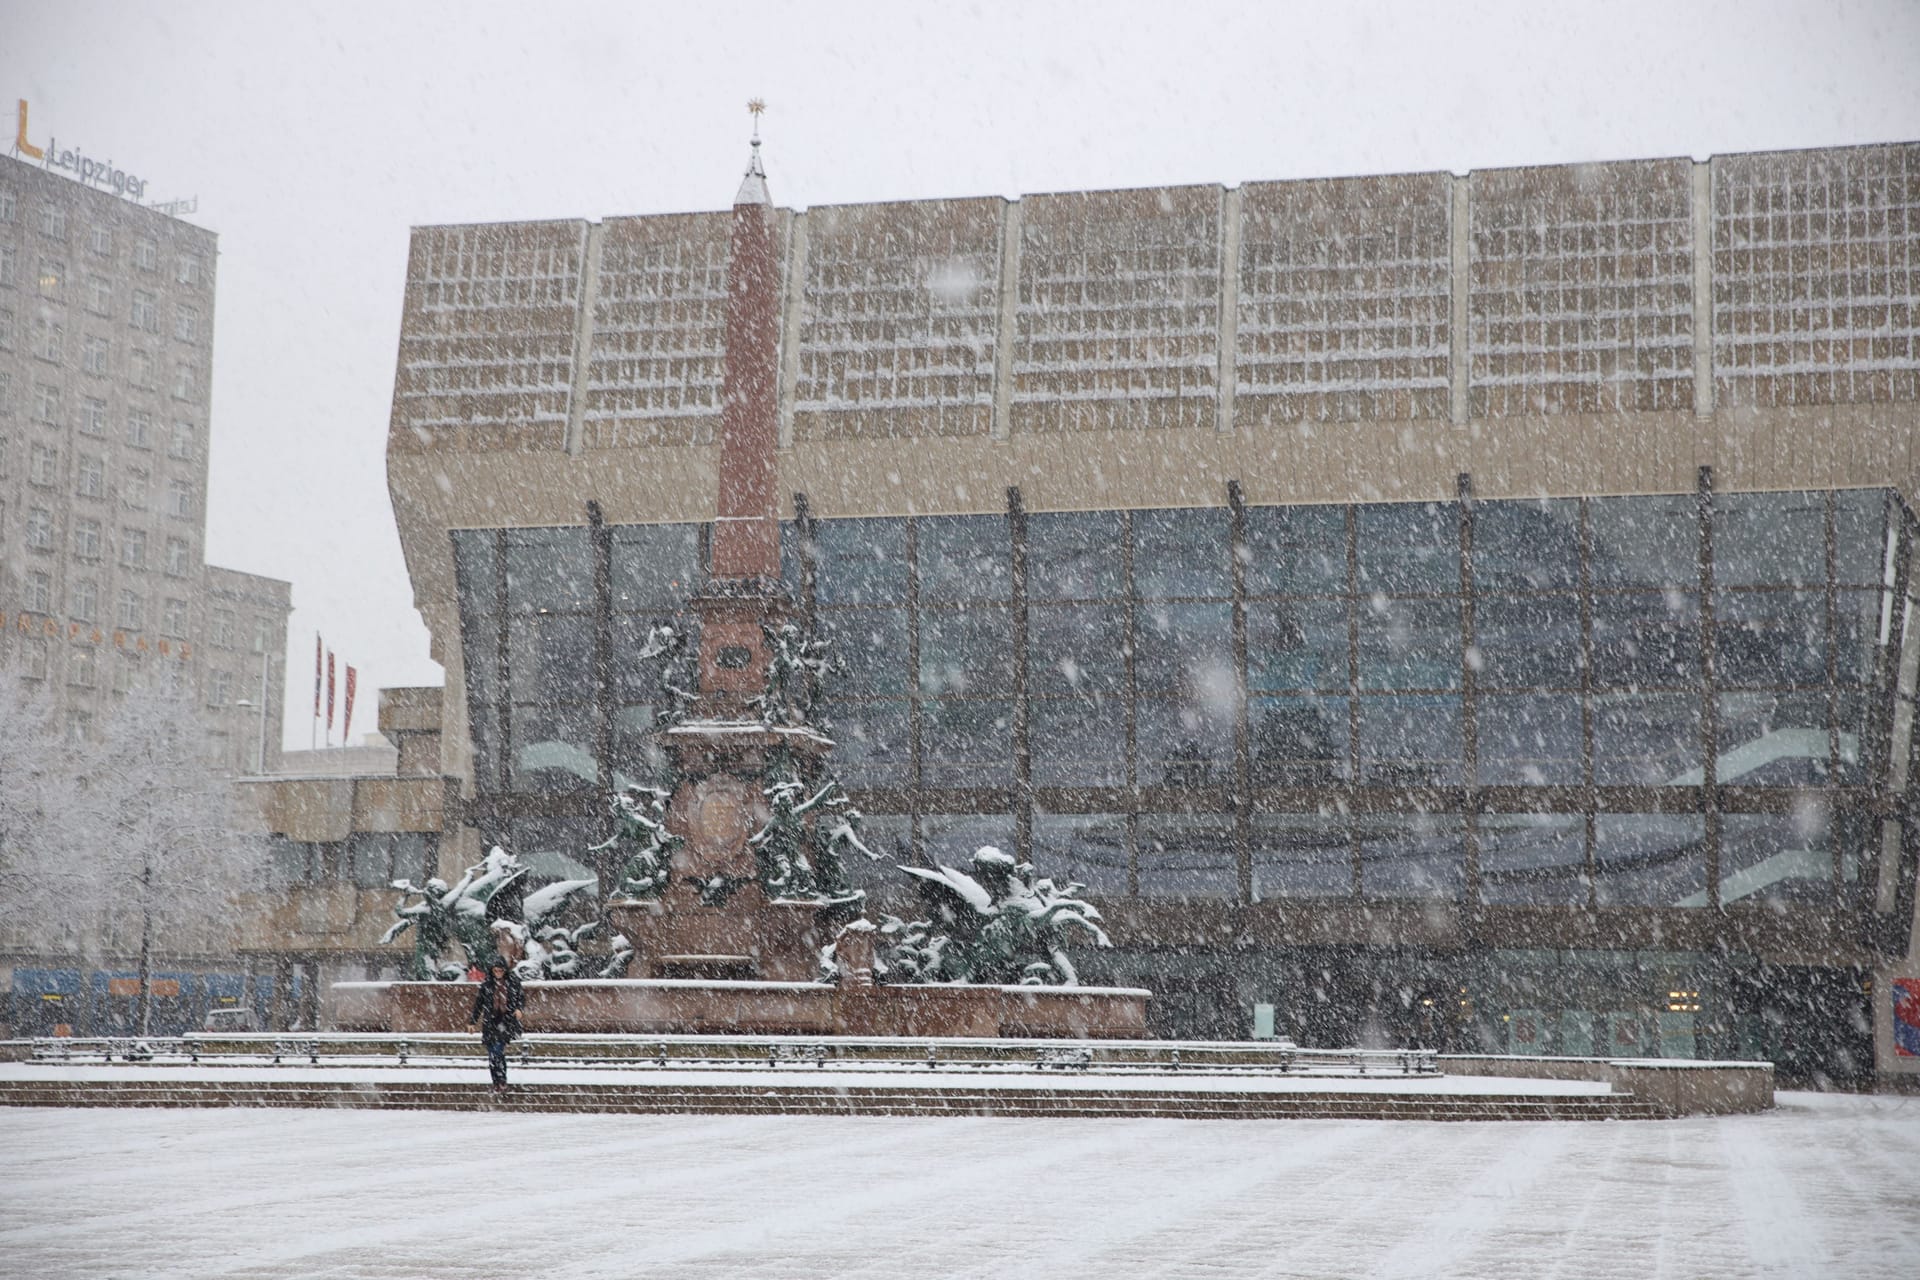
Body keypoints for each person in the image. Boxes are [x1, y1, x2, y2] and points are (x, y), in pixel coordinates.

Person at [467, 960, 526, 1090]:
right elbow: (479, 1004)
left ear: (505, 971)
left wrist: (519, 1009)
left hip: (505, 1022)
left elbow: (521, 998)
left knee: (497, 1051)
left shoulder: (512, 983)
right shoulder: (487, 985)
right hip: (490, 1023)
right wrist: (472, 1022)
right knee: (492, 1054)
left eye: (500, 971)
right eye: (495, 971)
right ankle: (496, 1081)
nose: (498, 973)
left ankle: (502, 1079)